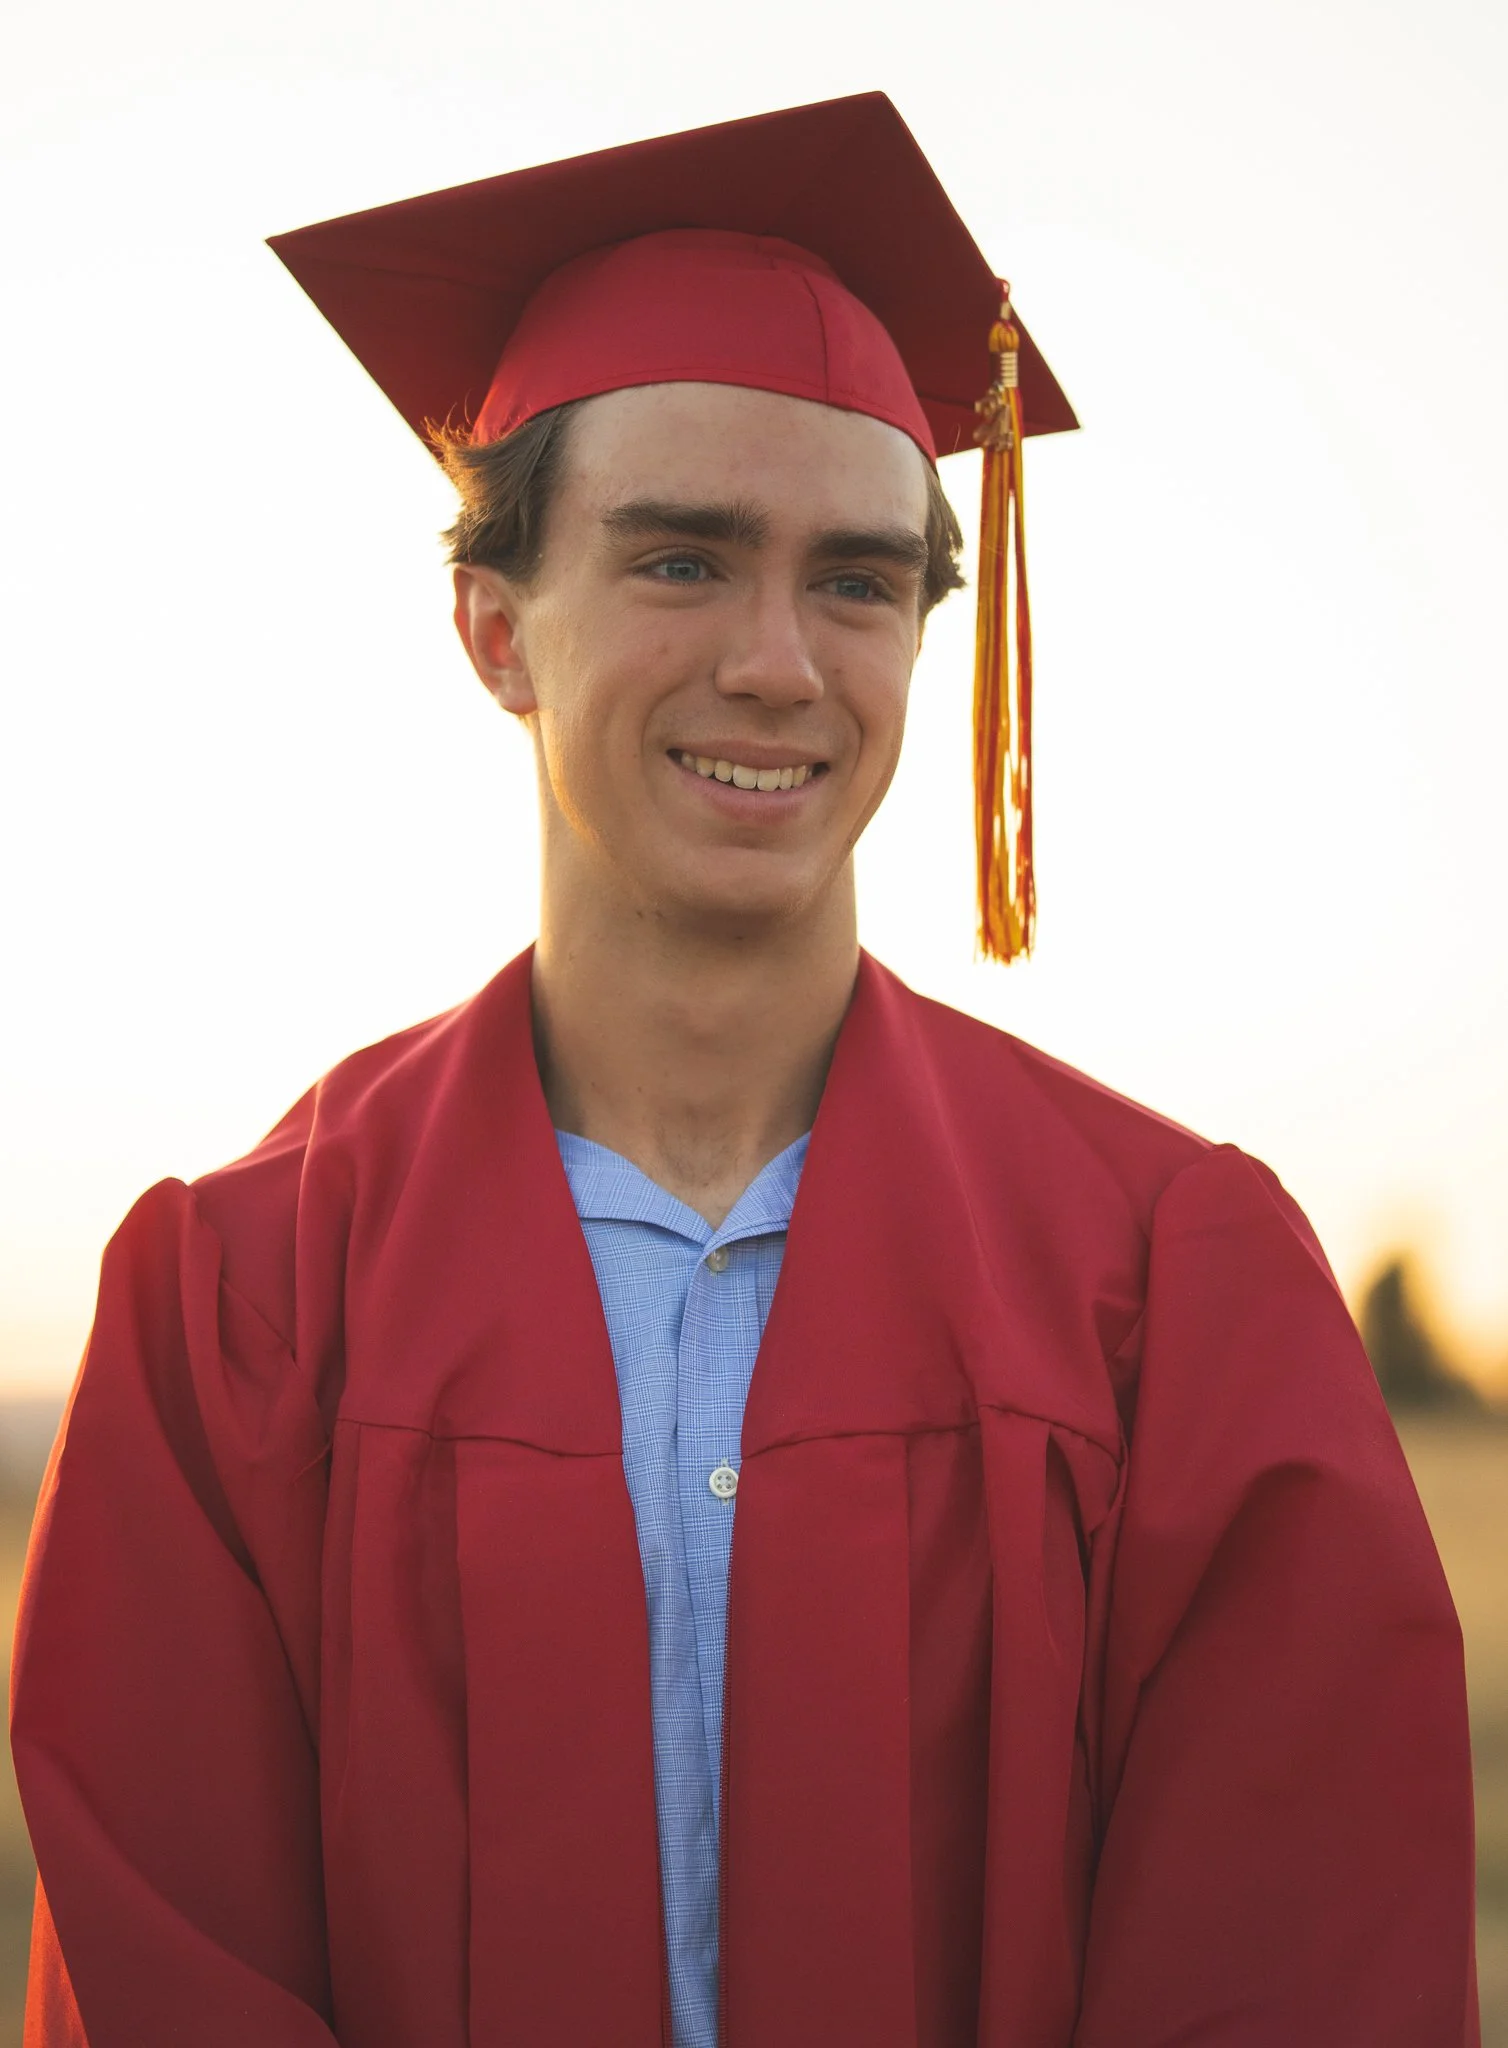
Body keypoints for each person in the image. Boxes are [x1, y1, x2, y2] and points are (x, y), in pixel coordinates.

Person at [10, 92, 1479, 2048]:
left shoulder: (1169, 1292)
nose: (781, 661)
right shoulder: (236, 1313)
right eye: (683, 561)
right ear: (489, 625)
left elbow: (1296, 1973)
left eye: (858, 578)